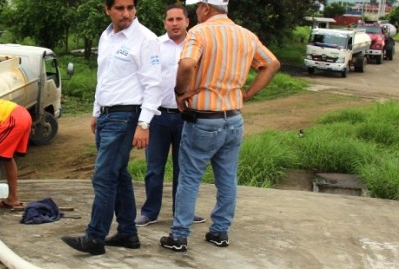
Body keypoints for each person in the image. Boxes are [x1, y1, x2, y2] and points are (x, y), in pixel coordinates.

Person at [161, 0, 280, 252]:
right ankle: (220, 231)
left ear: (205, 8)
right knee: (227, 179)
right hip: (233, 118)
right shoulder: (246, 35)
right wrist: (247, 93)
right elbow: (271, 64)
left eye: (196, 8)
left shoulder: (199, 32)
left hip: (204, 119)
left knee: (190, 178)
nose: (196, 13)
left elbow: (187, 64)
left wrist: (181, 91)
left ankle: (179, 235)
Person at [61, 0, 161, 255]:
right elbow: (103, 77)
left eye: (130, 7)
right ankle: (128, 233)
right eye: (119, 8)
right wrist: (96, 111)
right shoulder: (106, 37)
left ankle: (95, 237)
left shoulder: (145, 38)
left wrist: (144, 123)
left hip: (126, 116)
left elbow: (153, 84)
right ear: (107, 9)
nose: (126, 13)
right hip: (107, 115)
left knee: (104, 176)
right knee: (119, 176)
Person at [135, 4, 205, 227]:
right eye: (170, 20)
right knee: (154, 168)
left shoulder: (197, 46)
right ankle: (150, 212)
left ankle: (182, 212)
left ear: (187, 22)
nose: (174, 23)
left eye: (179, 19)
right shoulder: (154, 45)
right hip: (159, 116)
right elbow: (144, 79)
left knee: (184, 168)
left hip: (187, 117)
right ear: (164, 22)